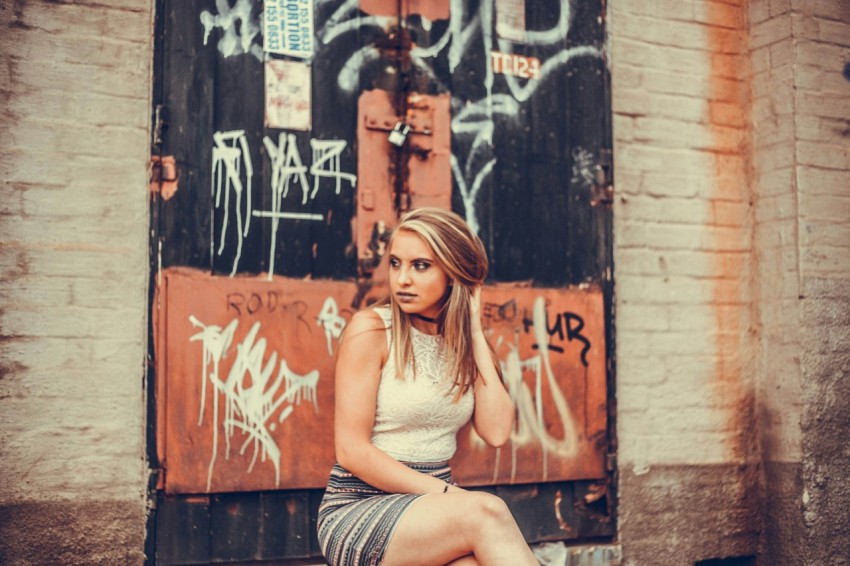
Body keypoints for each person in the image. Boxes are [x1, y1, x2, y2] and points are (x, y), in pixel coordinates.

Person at [317, 208, 538, 566]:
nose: (402, 279)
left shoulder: (462, 342)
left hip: (432, 511)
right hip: (359, 507)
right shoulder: (371, 330)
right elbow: (352, 451)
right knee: (486, 511)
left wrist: (475, 331)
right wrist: (452, 496)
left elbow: (497, 432)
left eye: (420, 266)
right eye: (395, 264)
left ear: (453, 274)